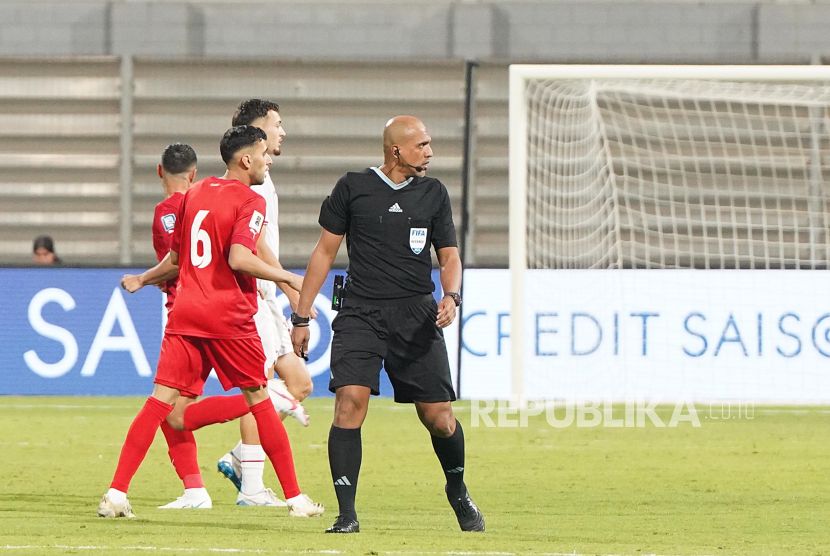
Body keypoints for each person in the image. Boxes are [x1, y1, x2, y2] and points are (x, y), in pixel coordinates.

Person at [98, 125, 323, 519]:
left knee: (159, 404)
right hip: (227, 317)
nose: (269, 159)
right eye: (264, 153)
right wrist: (288, 278)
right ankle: (296, 499)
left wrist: (142, 279)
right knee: (259, 399)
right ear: (245, 158)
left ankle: (116, 494)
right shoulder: (250, 200)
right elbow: (239, 257)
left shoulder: (194, 193)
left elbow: (176, 260)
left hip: (185, 313)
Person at [291, 116, 484, 533]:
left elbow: (449, 256)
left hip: (416, 314)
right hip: (360, 311)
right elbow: (324, 253)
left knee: (439, 418)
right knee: (349, 404)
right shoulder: (352, 188)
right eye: (423, 145)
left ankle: (458, 490)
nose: (430, 152)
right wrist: (302, 316)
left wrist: (451, 296)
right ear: (397, 150)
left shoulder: (434, 193)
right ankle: (347, 514)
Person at [215, 99, 317, 506]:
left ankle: (241, 459)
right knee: (261, 391)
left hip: (267, 299)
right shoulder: (251, 179)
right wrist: (293, 287)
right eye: (277, 124)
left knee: (299, 384)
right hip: (253, 298)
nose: (283, 132)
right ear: (257, 132)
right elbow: (254, 245)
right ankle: (252, 486)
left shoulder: (264, 179)